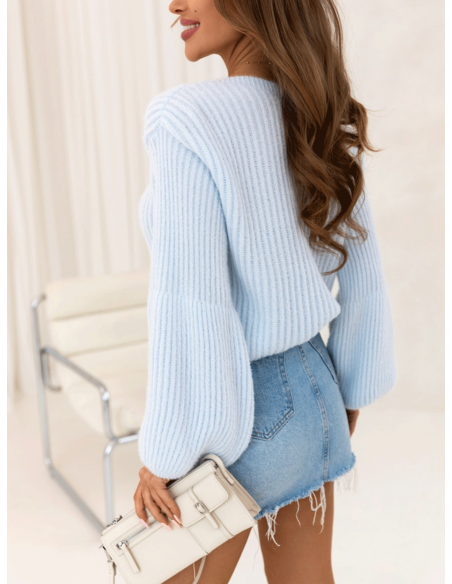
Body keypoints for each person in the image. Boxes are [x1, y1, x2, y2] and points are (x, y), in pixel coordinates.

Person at [133, 1, 397, 582]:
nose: (174, 4)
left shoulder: (184, 119)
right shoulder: (316, 113)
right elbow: (363, 269)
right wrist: (348, 392)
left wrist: (167, 453)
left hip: (236, 408)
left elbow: (192, 302)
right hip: (317, 392)